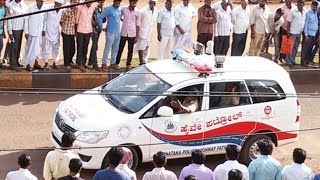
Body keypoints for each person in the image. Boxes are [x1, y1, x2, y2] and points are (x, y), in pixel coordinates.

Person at [115, 0, 140, 71]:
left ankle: (128, 64)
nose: (134, 4)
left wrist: (137, 36)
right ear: (130, 2)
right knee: (120, 49)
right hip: (124, 33)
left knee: (130, 50)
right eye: (133, 3)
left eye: (135, 3)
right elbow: (119, 16)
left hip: (132, 33)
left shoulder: (137, 12)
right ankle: (116, 63)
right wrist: (124, 21)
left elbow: (138, 25)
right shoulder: (124, 9)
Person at [23, 0, 46, 71]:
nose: (41, 3)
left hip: (39, 33)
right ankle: (28, 64)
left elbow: (44, 20)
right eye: (40, 1)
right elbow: (26, 19)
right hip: (31, 32)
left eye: (42, 1)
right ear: (37, 1)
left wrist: (43, 29)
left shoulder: (44, 8)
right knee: (30, 49)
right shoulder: (31, 7)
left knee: (38, 49)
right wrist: (26, 32)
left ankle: (36, 63)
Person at [98, 0, 122, 70]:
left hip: (117, 32)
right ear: (113, 2)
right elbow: (100, 17)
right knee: (107, 48)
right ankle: (104, 63)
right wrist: (101, 27)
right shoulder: (108, 9)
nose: (118, 4)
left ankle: (113, 63)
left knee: (115, 49)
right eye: (117, 3)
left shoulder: (119, 9)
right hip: (110, 32)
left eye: (119, 3)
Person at [134, 0, 158, 65]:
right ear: (149, 3)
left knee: (147, 47)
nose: (152, 4)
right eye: (151, 3)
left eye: (153, 3)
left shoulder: (156, 11)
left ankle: (144, 60)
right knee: (141, 47)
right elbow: (138, 22)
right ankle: (141, 62)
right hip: (142, 32)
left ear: (155, 4)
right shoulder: (143, 11)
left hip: (150, 33)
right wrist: (137, 33)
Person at [42, 0, 63, 70]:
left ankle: (55, 62)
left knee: (56, 48)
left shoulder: (62, 10)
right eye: (58, 4)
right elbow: (44, 20)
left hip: (56, 32)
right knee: (46, 48)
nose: (59, 6)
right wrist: (43, 30)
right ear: (55, 3)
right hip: (48, 31)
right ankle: (46, 63)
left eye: (60, 5)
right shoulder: (48, 8)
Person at [75, 0, 96, 72]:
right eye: (89, 2)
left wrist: (91, 31)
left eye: (91, 2)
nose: (90, 4)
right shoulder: (80, 7)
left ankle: (83, 63)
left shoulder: (92, 8)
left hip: (88, 31)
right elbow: (76, 20)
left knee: (85, 47)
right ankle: (78, 63)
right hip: (80, 30)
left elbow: (91, 19)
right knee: (80, 47)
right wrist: (76, 32)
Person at [8, 0, 26, 71]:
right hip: (14, 29)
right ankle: (13, 64)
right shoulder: (11, 5)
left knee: (18, 47)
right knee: (14, 48)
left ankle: (16, 62)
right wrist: (10, 32)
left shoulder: (23, 4)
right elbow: (9, 20)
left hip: (21, 29)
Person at [286, 0, 305, 66]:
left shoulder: (304, 11)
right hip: (292, 32)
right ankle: (288, 61)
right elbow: (288, 22)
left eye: (302, 4)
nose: (300, 6)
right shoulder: (293, 11)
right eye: (299, 4)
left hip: (299, 32)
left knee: (295, 47)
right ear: (297, 4)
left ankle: (292, 59)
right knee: (290, 47)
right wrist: (288, 31)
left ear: (303, 4)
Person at [60, 0, 77, 72]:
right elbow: (61, 21)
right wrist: (64, 28)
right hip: (66, 32)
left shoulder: (76, 10)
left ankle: (70, 61)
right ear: (70, 2)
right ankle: (66, 64)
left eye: (76, 2)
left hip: (72, 32)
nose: (75, 3)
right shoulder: (66, 10)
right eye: (74, 2)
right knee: (66, 48)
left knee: (73, 48)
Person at [88, 0, 104, 72]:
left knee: (94, 46)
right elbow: (90, 19)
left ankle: (90, 62)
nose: (102, 3)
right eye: (101, 2)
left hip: (98, 30)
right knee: (95, 46)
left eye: (103, 2)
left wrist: (103, 11)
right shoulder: (94, 9)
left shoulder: (101, 10)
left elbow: (103, 20)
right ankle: (95, 64)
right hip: (94, 30)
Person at [301, 1, 318, 67]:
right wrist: (306, 34)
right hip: (309, 33)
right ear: (311, 6)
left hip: (314, 34)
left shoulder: (316, 13)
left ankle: (307, 60)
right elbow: (306, 24)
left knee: (310, 48)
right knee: (305, 48)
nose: (314, 8)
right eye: (313, 6)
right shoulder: (308, 13)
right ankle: (303, 61)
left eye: (316, 7)